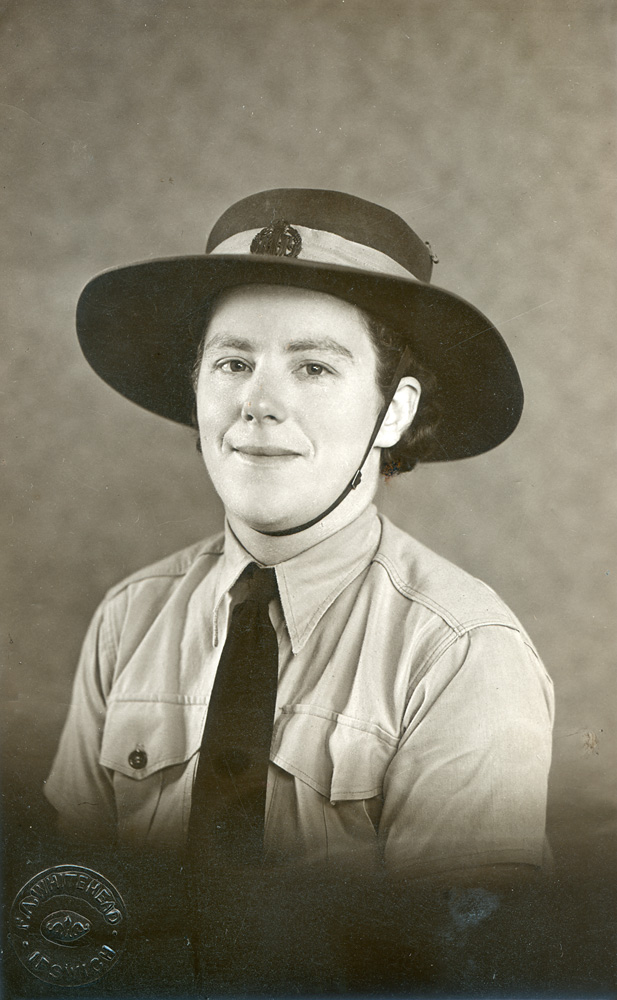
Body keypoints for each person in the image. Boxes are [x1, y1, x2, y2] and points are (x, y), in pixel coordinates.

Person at [45, 187, 553, 895]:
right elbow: (73, 909)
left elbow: (460, 963)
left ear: (393, 412)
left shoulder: (459, 652)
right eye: (232, 363)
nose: (259, 402)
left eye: (313, 367)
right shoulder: (129, 619)